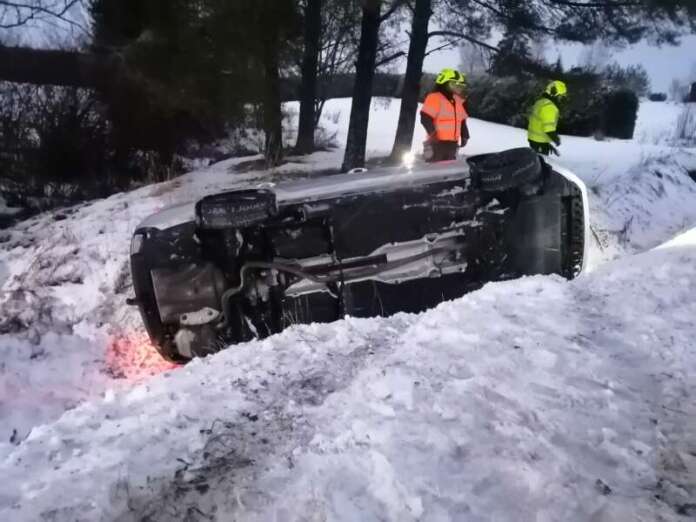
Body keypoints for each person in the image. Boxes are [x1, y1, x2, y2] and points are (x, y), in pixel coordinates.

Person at [420, 68, 469, 162]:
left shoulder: (459, 101)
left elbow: (462, 121)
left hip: (453, 144)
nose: (458, 87)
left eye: (460, 85)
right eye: (454, 84)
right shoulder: (435, 98)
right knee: (434, 171)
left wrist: (465, 135)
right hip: (436, 144)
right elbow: (425, 118)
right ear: (444, 83)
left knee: (448, 172)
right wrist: (433, 135)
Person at [528, 80, 568, 156]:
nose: (561, 99)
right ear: (554, 93)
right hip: (540, 141)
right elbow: (549, 129)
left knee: (535, 160)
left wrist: (547, 143)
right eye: (561, 96)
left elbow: (538, 122)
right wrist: (556, 139)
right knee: (540, 163)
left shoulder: (541, 102)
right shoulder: (550, 107)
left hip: (533, 139)